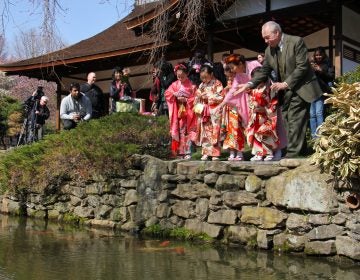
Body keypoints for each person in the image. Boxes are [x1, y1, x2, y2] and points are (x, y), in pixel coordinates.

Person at [236, 21, 322, 158]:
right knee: (288, 119)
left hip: (303, 87)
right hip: (287, 91)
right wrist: (249, 84)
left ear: (277, 33)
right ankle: (302, 149)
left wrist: (285, 84)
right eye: (263, 38)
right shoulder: (268, 51)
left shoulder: (296, 42)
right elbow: (264, 71)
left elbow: (302, 67)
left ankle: (292, 154)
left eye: (267, 37)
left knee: (295, 118)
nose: (265, 41)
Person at [217, 54, 261, 161]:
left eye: (233, 67)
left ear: (240, 64)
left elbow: (262, 78)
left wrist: (246, 86)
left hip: (261, 98)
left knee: (262, 126)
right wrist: (223, 103)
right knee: (252, 126)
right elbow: (233, 90)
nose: (232, 70)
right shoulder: (238, 75)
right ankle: (258, 152)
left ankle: (270, 151)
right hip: (248, 102)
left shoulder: (254, 64)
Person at [246, 67, 279, 161]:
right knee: (256, 134)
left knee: (265, 134)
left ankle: (269, 153)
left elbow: (272, 103)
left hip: (265, 116)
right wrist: (253, 107)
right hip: (255, 115)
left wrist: (264, 109)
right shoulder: (254, 89)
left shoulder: (269, 88)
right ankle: (259, 153)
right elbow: (250, 100)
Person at [165, 63, 197, 159]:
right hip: (178, 111)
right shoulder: (174, 84)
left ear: (187, 74)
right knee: (179, 130)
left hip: (188, 111)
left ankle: (188, 151)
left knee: (188, 131)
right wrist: (174, 95)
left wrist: (187, 99)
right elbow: (167, 94)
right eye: (178, 76)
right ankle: (179, 152)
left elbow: (196, 97)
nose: (180, 78)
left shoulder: (192, 85)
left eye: (182, 76)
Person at [194, 63, 224, 161]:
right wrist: (199, 96)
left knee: (214, 132)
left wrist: (209, 97)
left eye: (206, 77)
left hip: (214, 111)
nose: (204, 80)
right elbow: (197, 96)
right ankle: (206, 152)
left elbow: (221, 97)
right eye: (202, 78)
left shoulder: (217, 83)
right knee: (205, 132)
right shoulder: (201, 85)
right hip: (204, 111)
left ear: (211, 74)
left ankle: (215, 153)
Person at [309, 47, 334, 138]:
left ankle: (320, 135)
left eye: (320, 55)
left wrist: (320, 71)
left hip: (321, 90)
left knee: (319, 113)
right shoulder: (312, 64)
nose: (318, 56)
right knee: (312, 115)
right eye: (316, 55)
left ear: (323, 54)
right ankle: (313, 136)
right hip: (312, 91)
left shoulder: (327, 63)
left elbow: (331, 77)